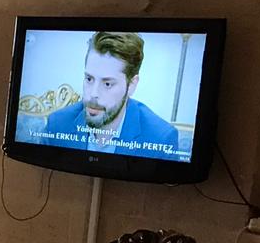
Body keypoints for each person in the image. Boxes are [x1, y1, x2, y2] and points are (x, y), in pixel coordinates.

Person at [36, 31, 180, 155]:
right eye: (89, 79)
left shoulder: (160, 139)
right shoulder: (57, 125)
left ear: (131, 85)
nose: (93, 94)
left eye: (107, 84)